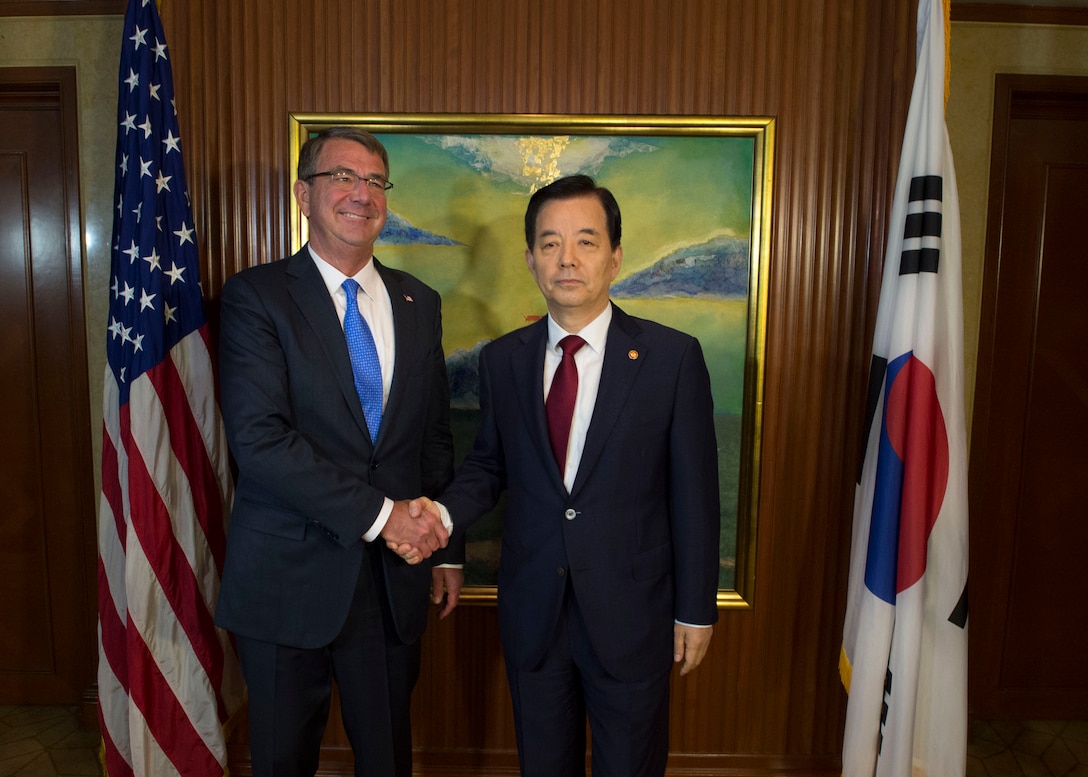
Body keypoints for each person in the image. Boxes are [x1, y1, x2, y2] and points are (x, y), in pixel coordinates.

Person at [404, 174, 721, 777]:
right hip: (535, 613)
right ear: (531, 260)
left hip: (632, 616)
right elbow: (489, 464)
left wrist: (696, 610)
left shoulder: (672, 359)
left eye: (586, 241)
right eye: (550, 243)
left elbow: (696, 498)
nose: (567, 259)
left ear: (615, 256)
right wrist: (440, 516)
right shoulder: (505, 359)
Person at [215, 126, 462, 777]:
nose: (362, 193)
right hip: (283, 581)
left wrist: (446, 544)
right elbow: (260, 441)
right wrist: (386, 516)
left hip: (393, 583)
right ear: (303, 193)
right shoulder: (256, 297)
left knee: (387, 759)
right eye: (343, 178)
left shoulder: (420, 303)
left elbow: (434, 435)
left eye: (376, 181)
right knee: (280, 760)